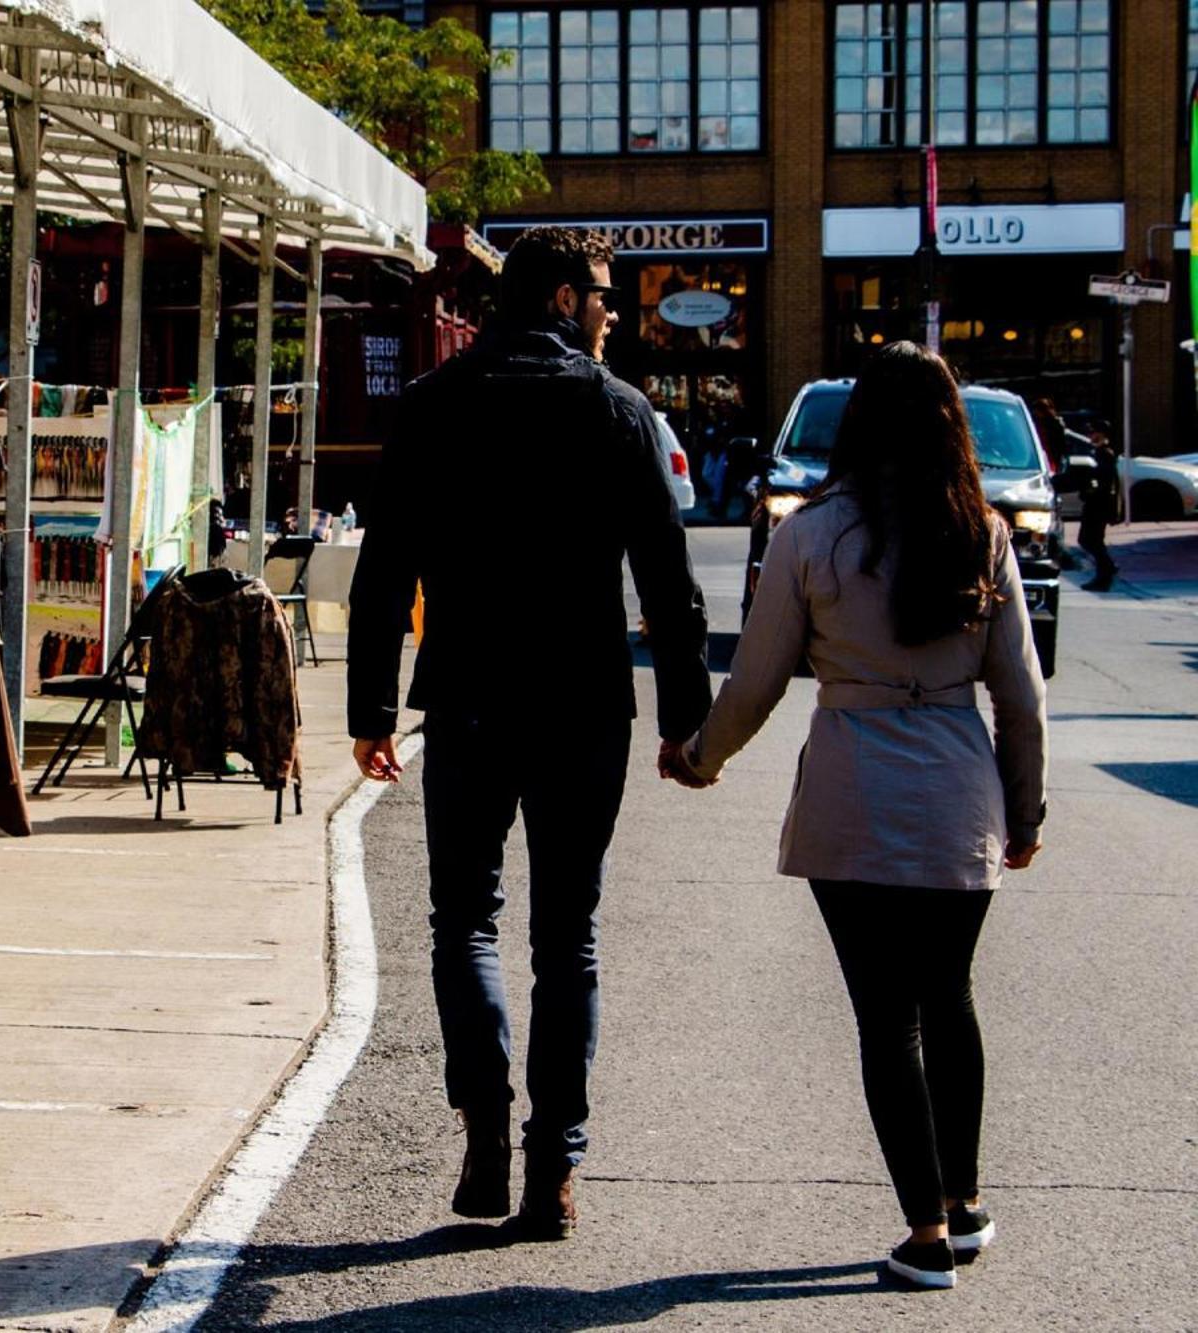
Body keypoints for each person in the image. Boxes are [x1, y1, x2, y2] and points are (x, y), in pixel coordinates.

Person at [347, 226, 712, 1239]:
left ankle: (481, 1133)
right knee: (566, 938)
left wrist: (369, 711)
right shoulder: (617, 410)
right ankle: (552, 1168)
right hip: (583, 704)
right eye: (598, 293)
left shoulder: (432, 407)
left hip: (466, 698)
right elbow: (668, 586)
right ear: (558, 297)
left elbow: (386, 574)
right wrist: (687, 722)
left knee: (462, 918)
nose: (606, 310)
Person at [663, 341, 1047, 1290]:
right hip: (963, 793)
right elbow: (1024, 699)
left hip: (852, 793)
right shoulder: (983, 535)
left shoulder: (811, 536)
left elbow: (754, 682)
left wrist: (701, 758)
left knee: (887, 1021)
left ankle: (923, 1234)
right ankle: (961, 1205)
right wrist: (1024, 809)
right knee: (949, 997)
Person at [1028, 398, 1078, 570]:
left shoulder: (1055, 424)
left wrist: (1056, 464)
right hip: (1046, 460)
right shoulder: (1041, 424)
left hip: (1050, 462)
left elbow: (1060, 447)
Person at [1075, 426, 1122, 591]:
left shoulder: (1105, 454)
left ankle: (1106, 571)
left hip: (1098, 505)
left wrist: (1089, 491)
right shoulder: (1098, 453)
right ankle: (1105, 570)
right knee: (1090, 540)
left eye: (1095, 433)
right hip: (1095, 504)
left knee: (1090, 540)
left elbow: (1104, 483)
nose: (1091, 436)